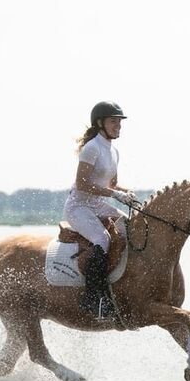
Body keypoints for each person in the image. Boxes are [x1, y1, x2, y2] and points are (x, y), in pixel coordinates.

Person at [63, 101, 138, 316]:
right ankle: (92, 296)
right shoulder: (92, 148)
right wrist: (115, 195)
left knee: (128, 226)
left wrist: (127, 193)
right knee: (102, 239)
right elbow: (82, 184)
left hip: (95, 205)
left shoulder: (114, 151)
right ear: (100, 123)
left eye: (119, 122)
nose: (118, 126)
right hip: (78, 207)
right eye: (114, 121)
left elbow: (111, 185)